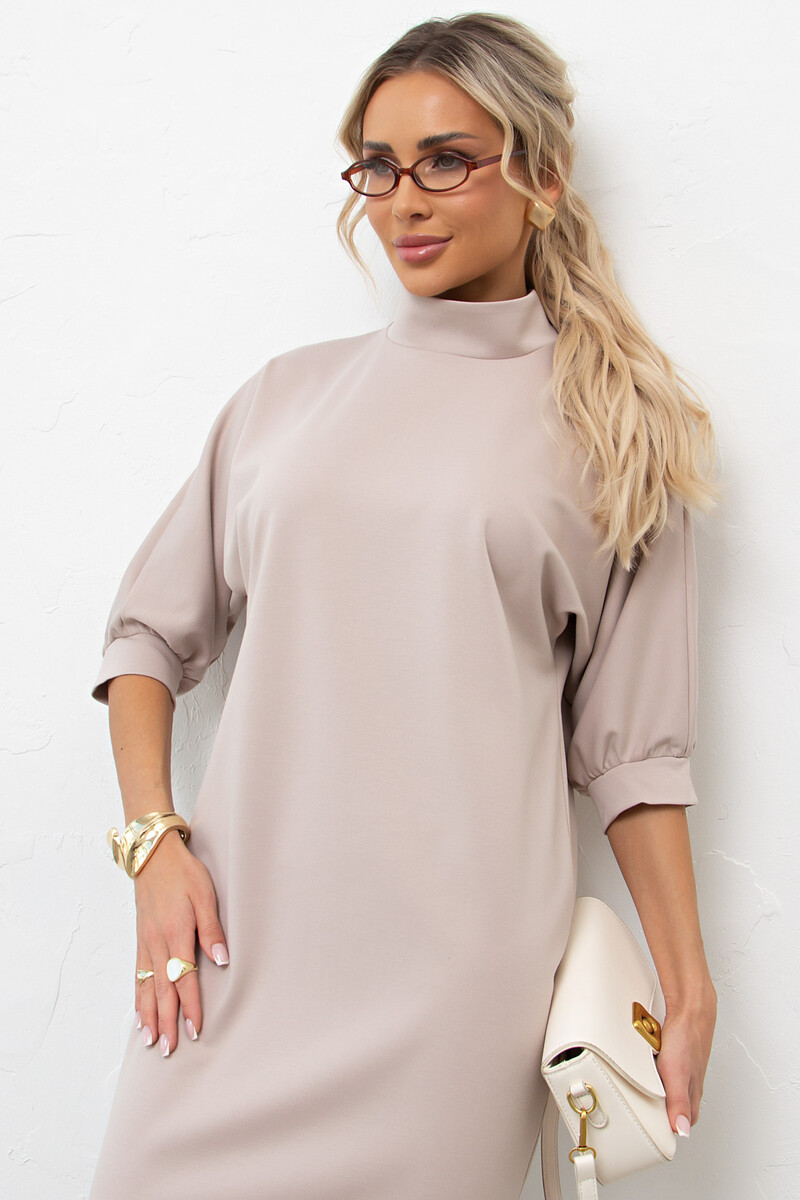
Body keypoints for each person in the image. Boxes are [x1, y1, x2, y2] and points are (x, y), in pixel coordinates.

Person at [88, 13, 717, 1200]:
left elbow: (632, 756)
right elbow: (144, 638)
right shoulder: (283, 400)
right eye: (377, 166)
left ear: (541, 174)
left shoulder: (614, 433)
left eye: (445, 161)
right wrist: (151, 844)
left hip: (456, 994)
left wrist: (686, 987)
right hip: (231, 958)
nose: (403, 202)